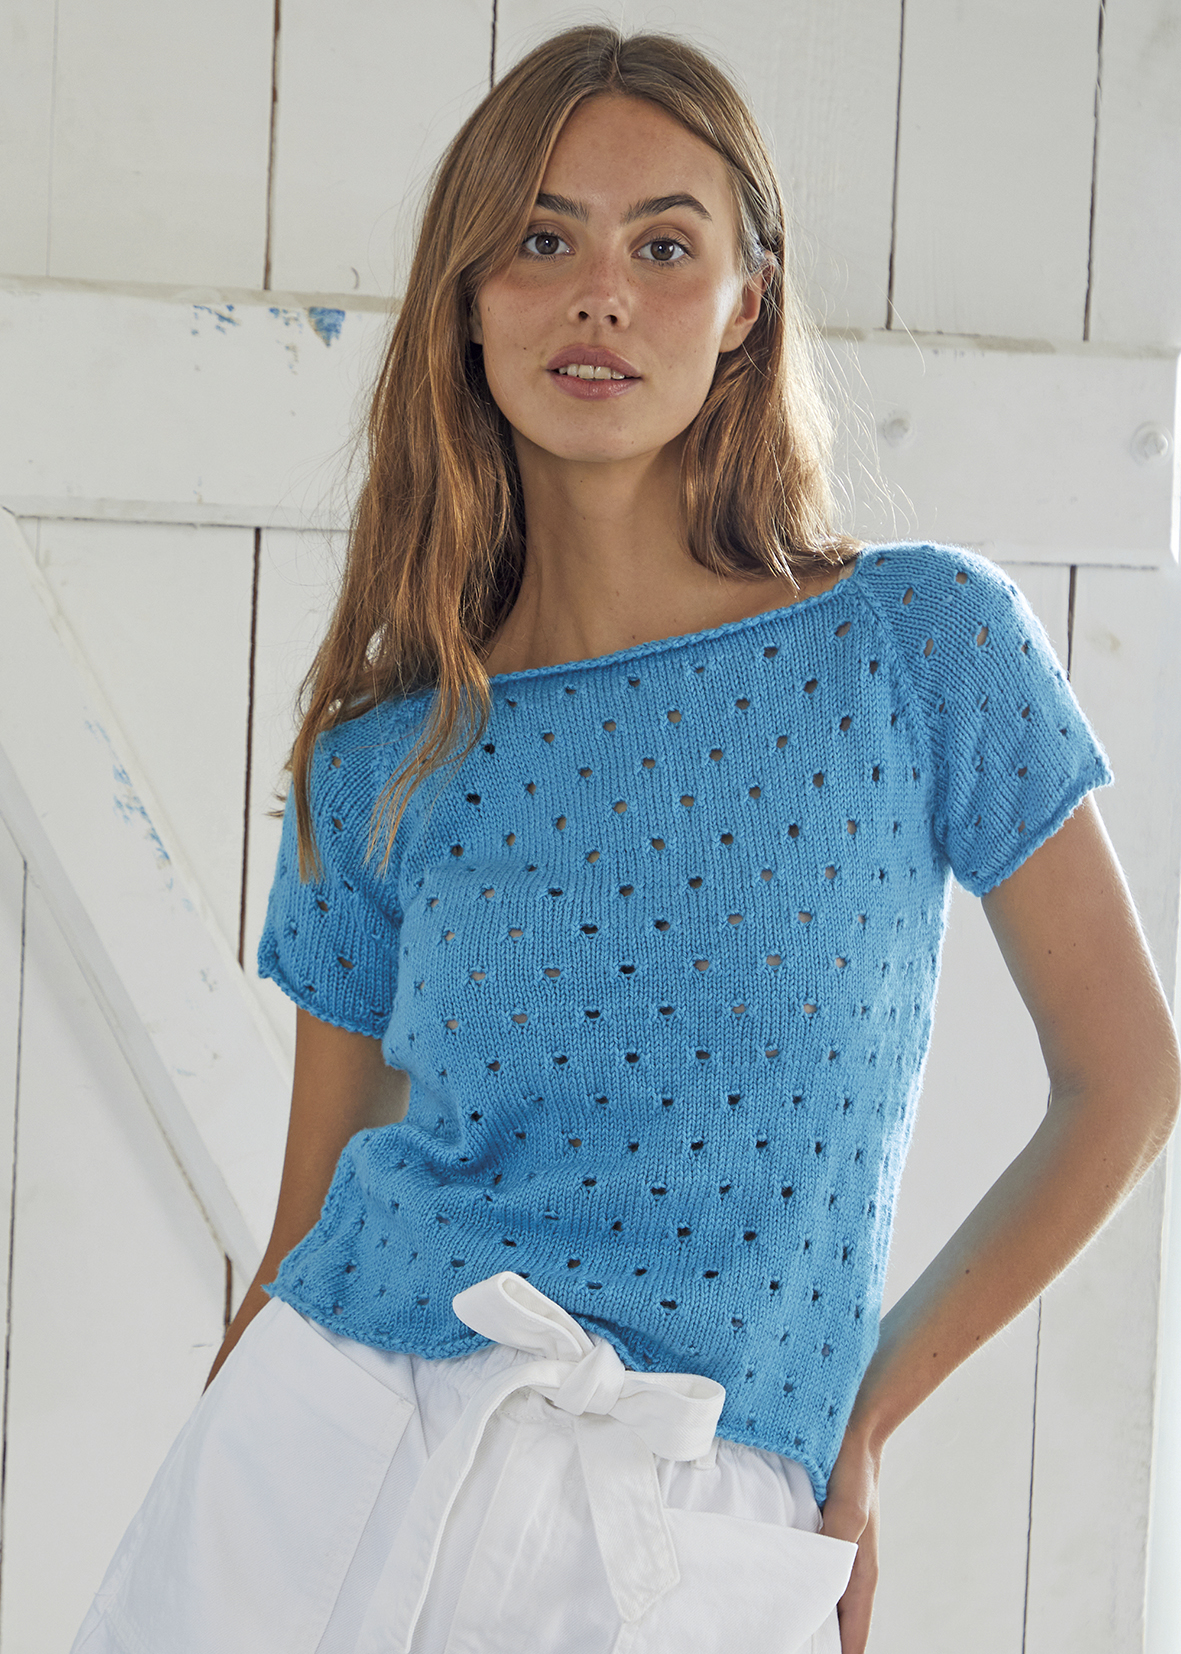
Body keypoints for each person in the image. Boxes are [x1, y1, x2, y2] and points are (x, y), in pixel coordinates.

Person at [71, 24, 1179, 1654]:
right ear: (467, 297)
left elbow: (1126, 1077)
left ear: (746, 303)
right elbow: (304, 1225)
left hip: (694, 1522)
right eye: (541, 238)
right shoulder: (380, 755)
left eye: (663, 245)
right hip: (327, 1465)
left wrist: (863, 1416)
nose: (599, 295)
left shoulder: (917, 645)